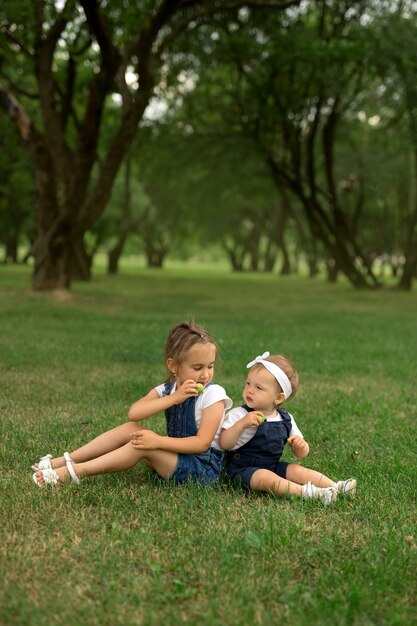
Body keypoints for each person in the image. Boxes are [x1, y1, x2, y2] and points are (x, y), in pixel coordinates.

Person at [32, 321, 232, 488]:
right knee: (131, 429)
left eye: (210, 366)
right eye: (197, 368)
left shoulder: (213, 395)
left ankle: (74, 472)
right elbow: (134, 413)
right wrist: (174, 398)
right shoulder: (169, 389)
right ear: (173, 366)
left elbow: (202, 444)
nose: (205, 374)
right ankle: (68, 459)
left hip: (203, 469)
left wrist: (157, 441)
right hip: (177, 457)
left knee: (141, 445)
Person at [219, 352, 356, 505]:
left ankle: (336, 486)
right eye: (248, 383)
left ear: (278, 398)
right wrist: (241, 424)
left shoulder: (285, 419)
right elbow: (224, 443)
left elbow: (302, 454)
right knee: (266, 478)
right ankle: (309, 493)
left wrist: (300, 446)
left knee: (297, 470)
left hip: (273, 466)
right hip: (242, 471)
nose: (250, 390)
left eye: (258, 387)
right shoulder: (240, 414)